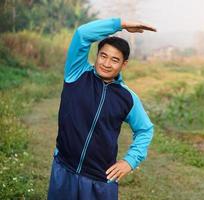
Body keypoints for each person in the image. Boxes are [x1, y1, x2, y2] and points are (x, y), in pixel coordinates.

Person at [47, 17, 157, 200]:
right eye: (103, 56)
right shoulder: (77, 73)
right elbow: (83, 34)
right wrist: (120, 24)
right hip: (64, 169)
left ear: (124, 65)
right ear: (96, 55)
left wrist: (129, 161)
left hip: (100, 180)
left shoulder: (127, 98)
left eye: (115, 60)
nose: (106, 64)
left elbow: (145, 129)